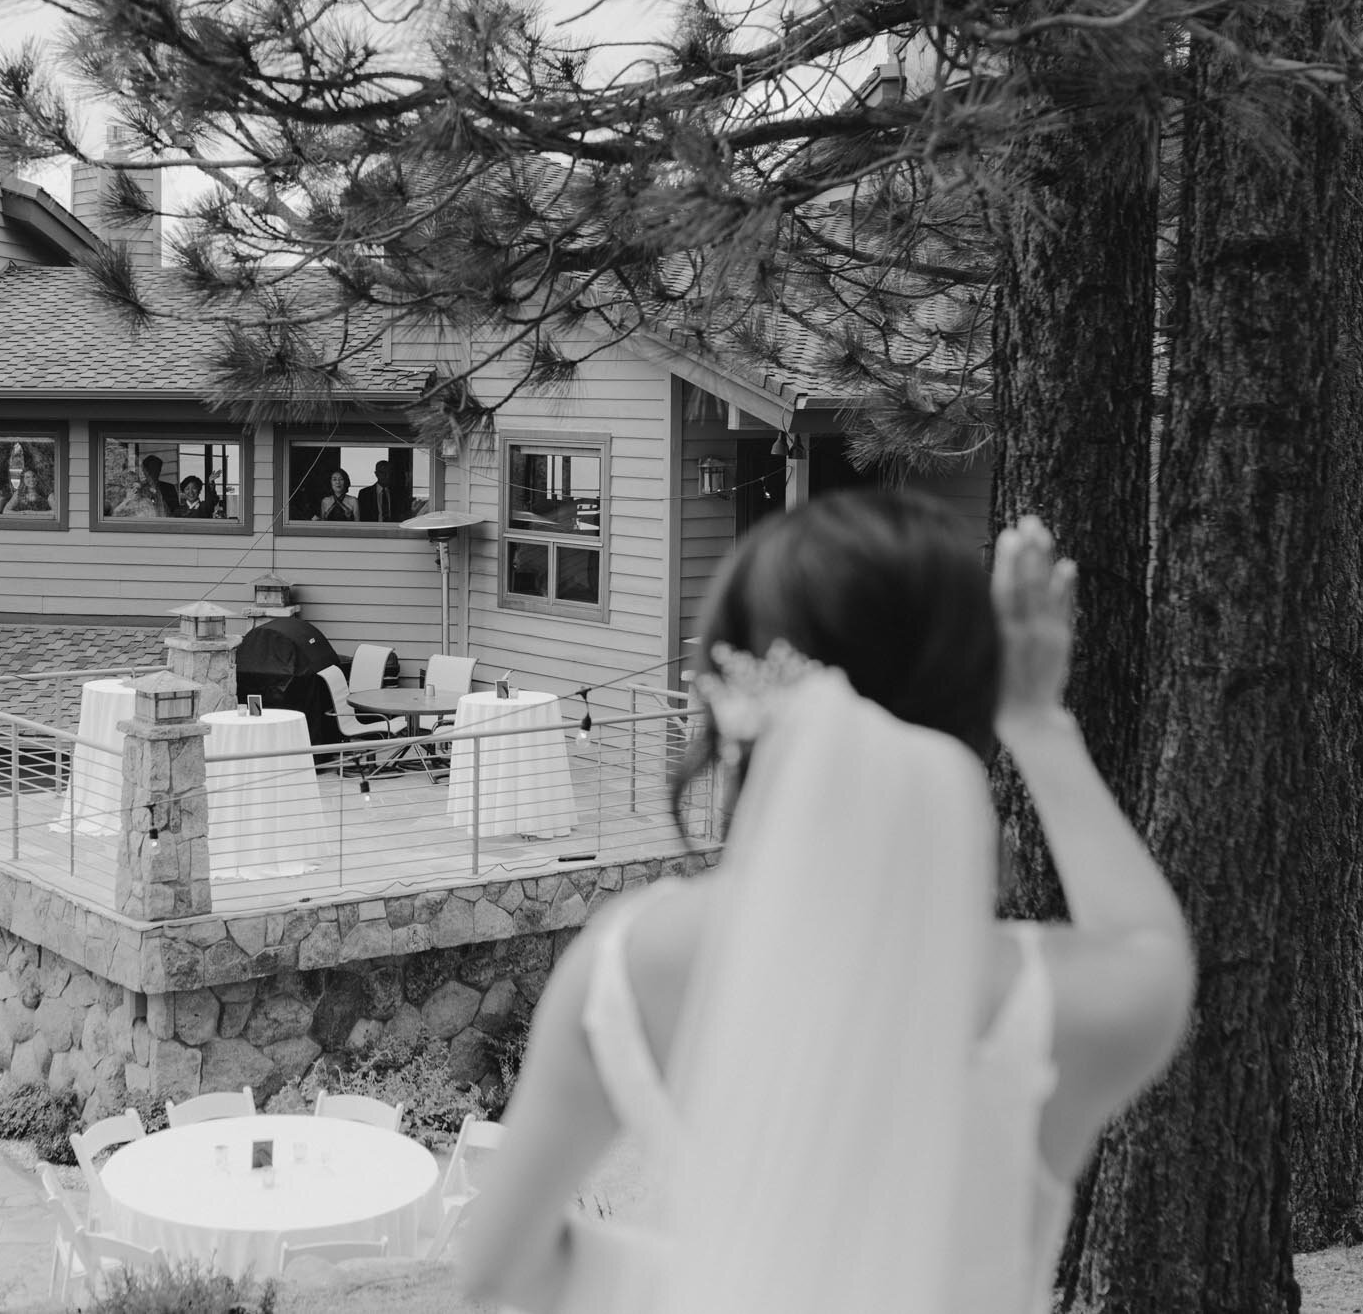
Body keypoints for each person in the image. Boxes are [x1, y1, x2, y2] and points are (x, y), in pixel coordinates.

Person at [457, 491, 1194, 1314]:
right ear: (970, 697)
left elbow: (499, 1272)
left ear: (738, 697)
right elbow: (1149, 948)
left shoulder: (632, 963)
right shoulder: (1052, 1011)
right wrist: (1038, 720)